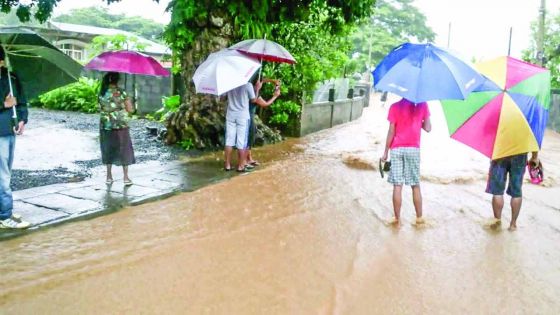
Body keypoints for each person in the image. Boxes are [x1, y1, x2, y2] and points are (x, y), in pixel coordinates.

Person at [380, 97, 431, 226]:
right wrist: (419, 120)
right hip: (413, 149)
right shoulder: (422, 104)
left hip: (397, 149)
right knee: (415, 185)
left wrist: (386, 151)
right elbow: (428, 128)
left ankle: (396, 219)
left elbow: (391, 131)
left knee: (397, 185)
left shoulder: (394, 107)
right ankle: (419, 219)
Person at [0, 47, 31, 229]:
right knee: (2, 176)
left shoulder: (11, 78)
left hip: (10, 131)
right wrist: (3, 103)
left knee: (6, 173)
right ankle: (5, 216)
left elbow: (22, 101)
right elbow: (7, 103)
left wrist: (22, 119)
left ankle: (4, 210)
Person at [224, 79, 280, 172]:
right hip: (242, 116)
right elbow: (254, 99)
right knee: (242, 142)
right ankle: (241, 166)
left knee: (229, 141)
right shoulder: (248, 85)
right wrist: (258, 89)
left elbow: (223, 98)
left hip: (230, 115)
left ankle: (227, 165)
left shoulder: (230, 83)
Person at [99, 72, 136, 185]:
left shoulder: (102, 92)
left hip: (106, 125)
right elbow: (130, 110)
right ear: (117, 80)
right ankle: (125, 178)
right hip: (121, 125)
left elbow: (100, 107)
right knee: (124, 149)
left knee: (108, 148)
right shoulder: (121, 92)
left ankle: (109, 177)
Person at [486, 152, 539, 231]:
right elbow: (534, 141)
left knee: (497, 192)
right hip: (520, 154)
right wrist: (534, 157)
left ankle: (497, 222)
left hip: (500, 153)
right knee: (516, 191)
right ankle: (513, 224)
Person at [246, 78, 281, 167]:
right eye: (259, 82)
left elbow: (263, 80)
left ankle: (248, 158)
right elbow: (265, 104)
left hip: (245, 115)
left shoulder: (247, 88)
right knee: (249, 137)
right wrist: (275, 96)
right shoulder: (254, 94)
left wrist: (273, 81)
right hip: (249, 116)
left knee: (249, 137)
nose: (261, 83)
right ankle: (246, 160)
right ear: (256, 85)